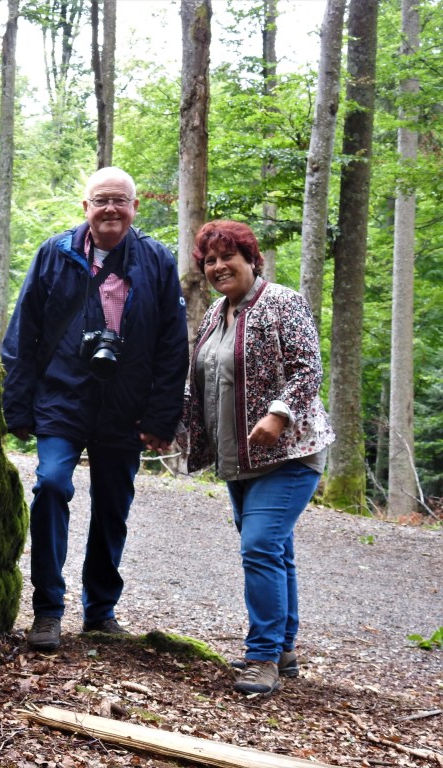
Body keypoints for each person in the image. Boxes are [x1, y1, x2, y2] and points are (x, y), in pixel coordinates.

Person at [1, 166, 189, 652]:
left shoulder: (156, 260)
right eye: (101, 200)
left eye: (119, 200)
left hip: (124, 405)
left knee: (112, 506)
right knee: (50, 485)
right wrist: (17, 406)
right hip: (62, 395)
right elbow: (24, 331)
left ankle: (101, 612)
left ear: (134, 208)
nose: (110, 208)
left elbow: (173, 346)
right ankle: (47, 610)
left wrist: (161, 417)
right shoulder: (55, 253)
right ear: (85, 207)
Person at [179, 219, 334, 695]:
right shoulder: (215, 313)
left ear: (252, 259)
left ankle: (262, 657)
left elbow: (308, 369)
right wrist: (170, 424)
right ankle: (283, 649)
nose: (218, 266)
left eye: (228, 256)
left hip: (290, 454)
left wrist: (279, 414)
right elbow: (199, 382)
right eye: (210, 260)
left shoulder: (283, 302)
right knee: (275, 548)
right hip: (239, 458)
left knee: (260, 546)